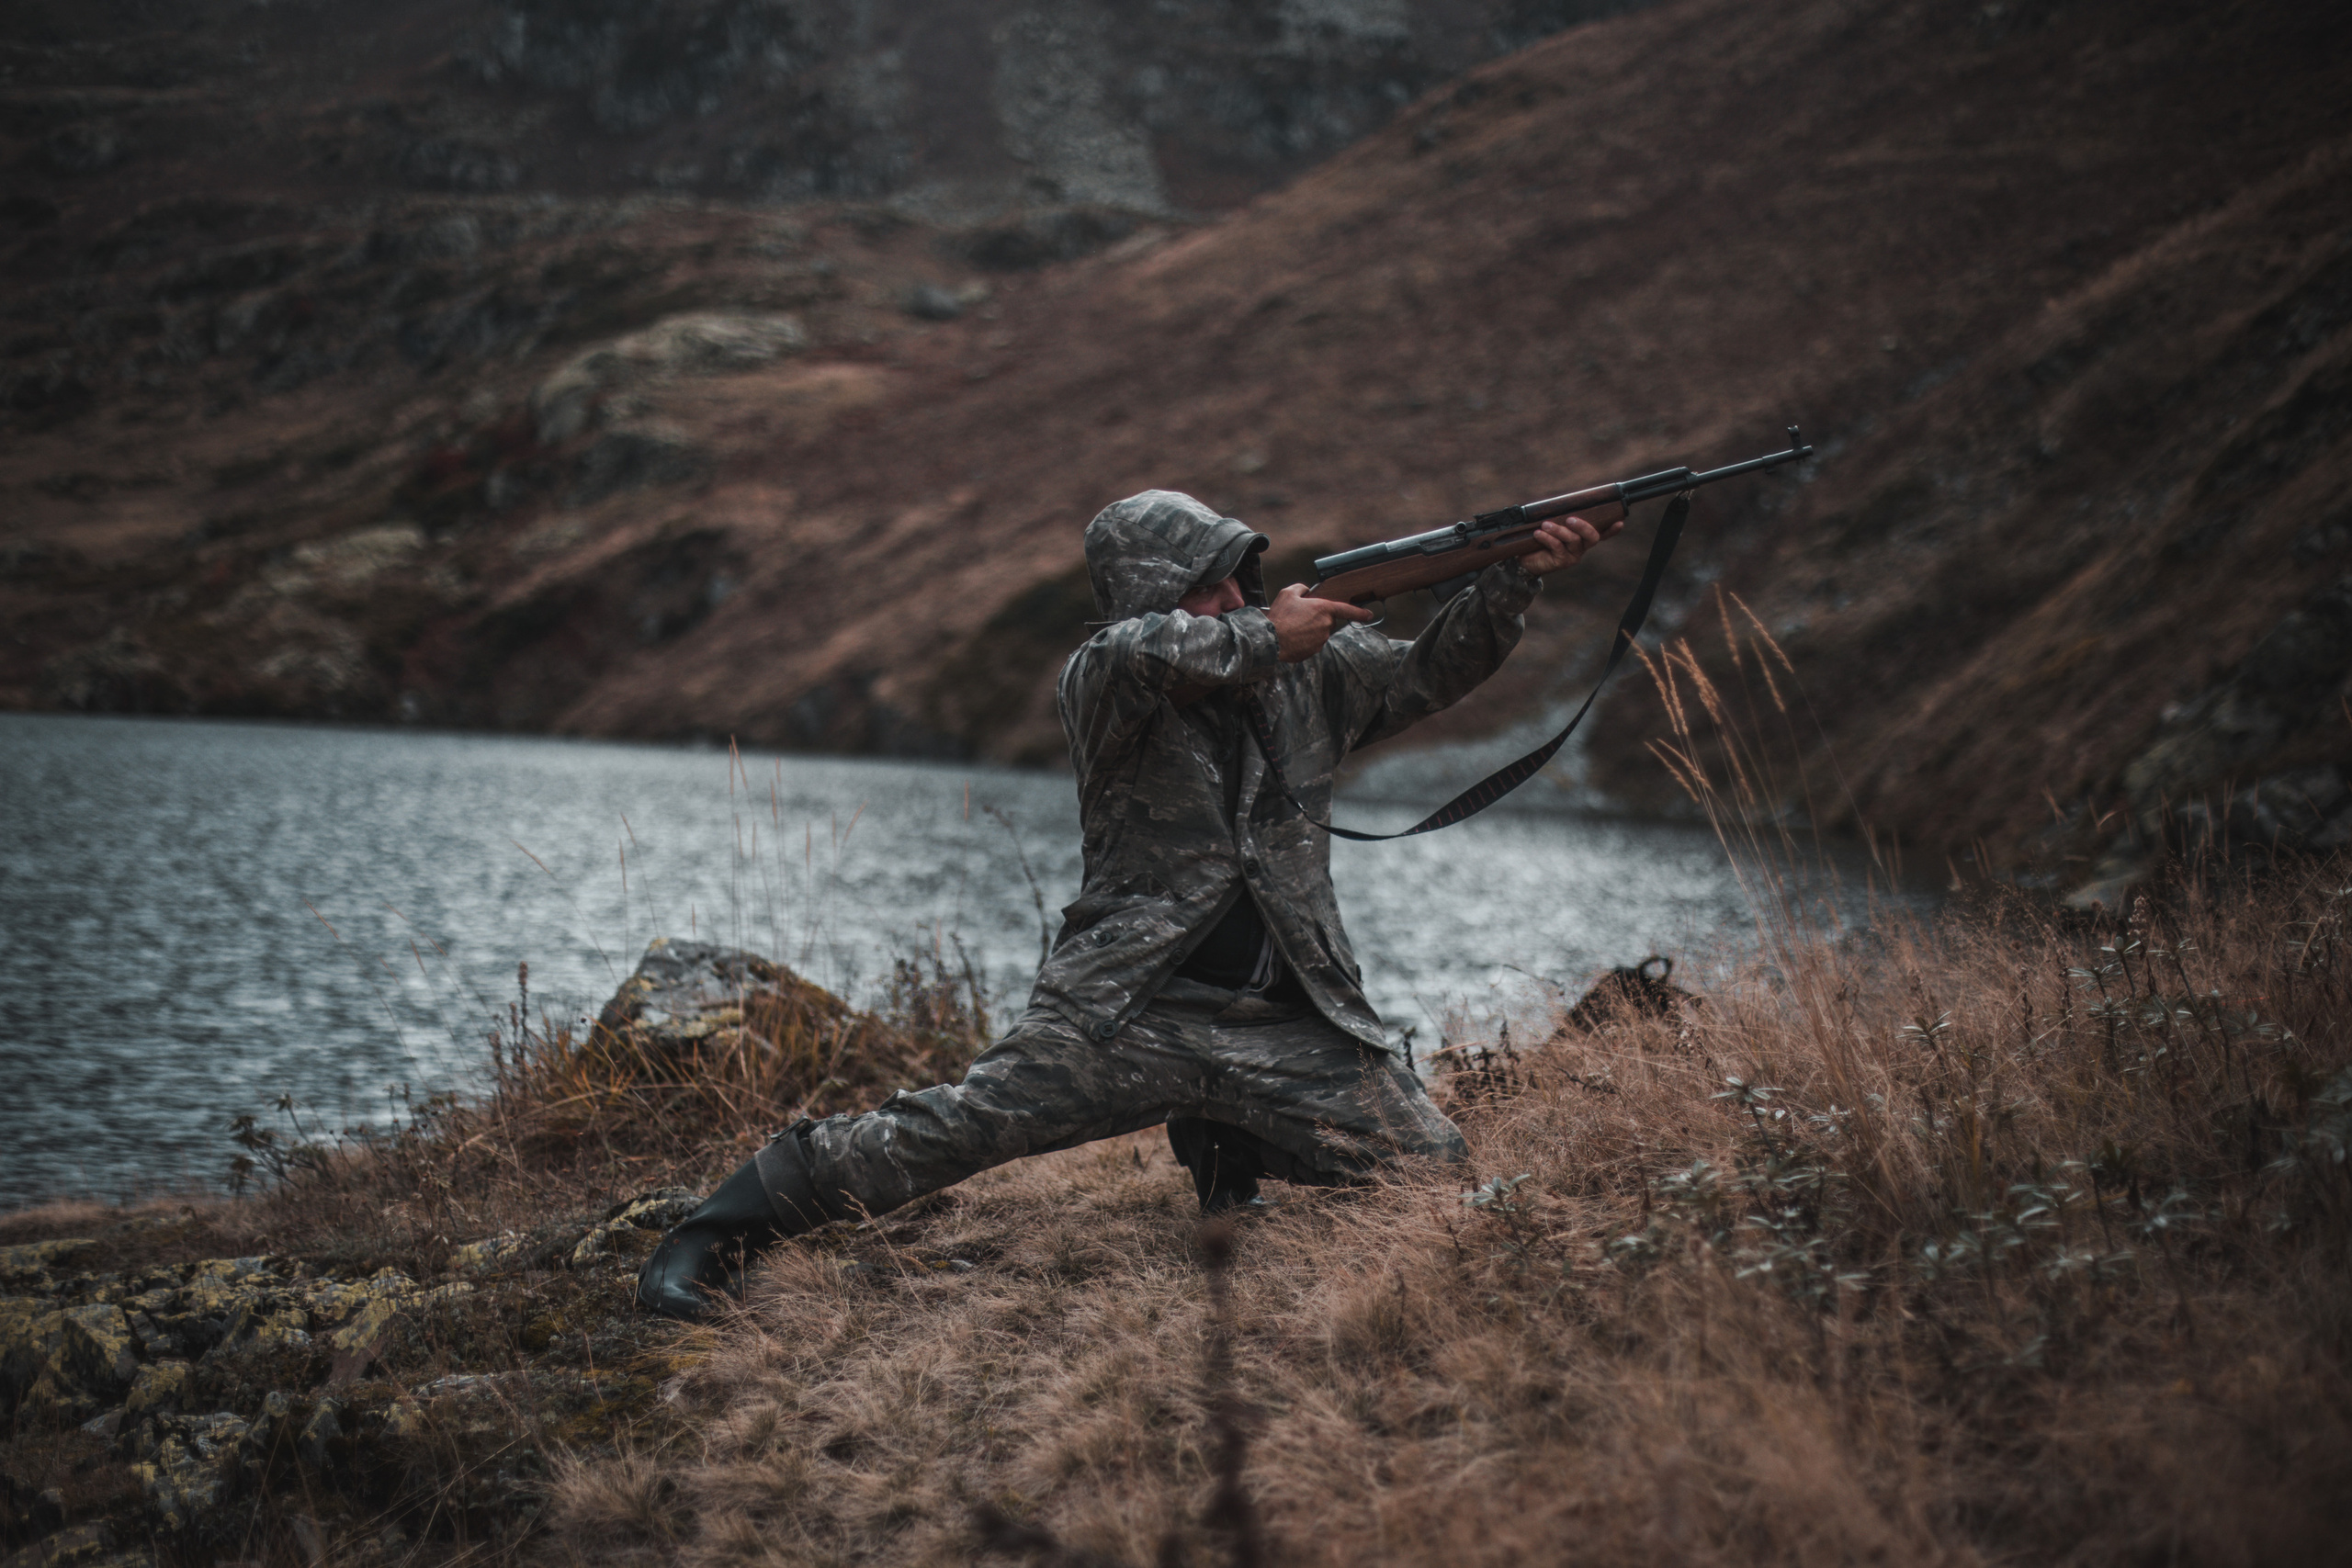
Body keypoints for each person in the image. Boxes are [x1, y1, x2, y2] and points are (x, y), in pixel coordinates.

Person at [637, 490, 1619, 1320]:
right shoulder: (1107, 677)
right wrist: (1261, 632)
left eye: (1241, 576)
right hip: (1126, 1011)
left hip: (1289, 1019)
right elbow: (1140, 653)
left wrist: (1511, 578)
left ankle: (1226, 1133)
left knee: (1432, 1179)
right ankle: (717, 1230)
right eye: (1209, 582)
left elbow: (1422, 676)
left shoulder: (1306, 672)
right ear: (1152, 596)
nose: (1235, 596)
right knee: (951, 1132)